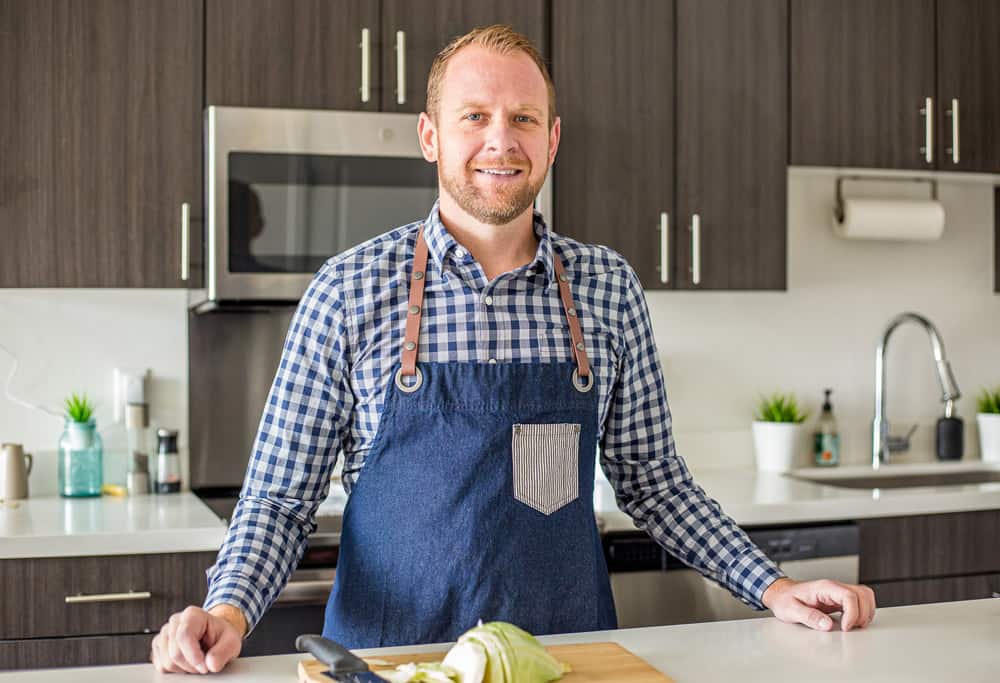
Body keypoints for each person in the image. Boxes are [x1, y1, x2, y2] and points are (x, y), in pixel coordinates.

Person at [151, 25, 876, 675]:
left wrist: (772, 586)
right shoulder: (347, 291)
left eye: (523, 118)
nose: (502, 141)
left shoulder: (607, 290)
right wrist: (227, 612)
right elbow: (279, 499)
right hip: (392, 665)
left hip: (561, 661)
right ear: (430, 136)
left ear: (552, 140)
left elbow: (655, 481)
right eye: (475, 117)